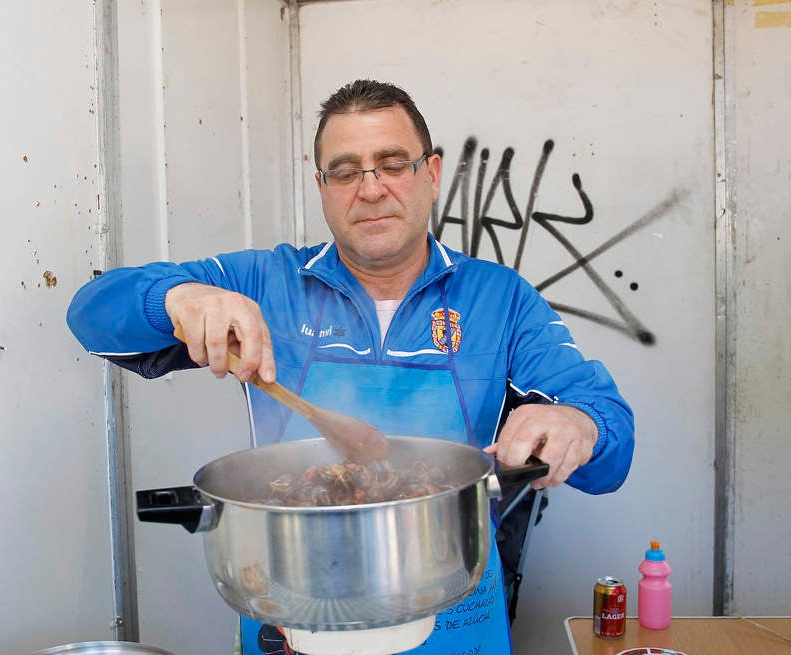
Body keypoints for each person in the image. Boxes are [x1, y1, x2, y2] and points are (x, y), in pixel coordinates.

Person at [67, 79, 634, 655]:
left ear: (432, 174)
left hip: (457, 621)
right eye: (345, 170)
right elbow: (90, 314)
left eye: (392, 163)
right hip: (293, 614)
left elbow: (609, 451)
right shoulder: (267, 282)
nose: (370, 189)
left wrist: (578, 424)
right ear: (322, 187)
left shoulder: (502, 299)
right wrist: (178, 298)